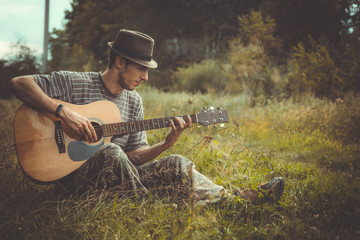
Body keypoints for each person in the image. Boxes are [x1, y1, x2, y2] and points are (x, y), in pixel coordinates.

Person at [8, 29, 284, 204]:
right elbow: (19, 83)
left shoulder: (133, 101)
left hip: (117, 181)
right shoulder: (75, 82)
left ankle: (241, 201)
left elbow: (134, 157)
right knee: (111, 151)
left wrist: (166, 144)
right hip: (72, 183)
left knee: (176, 163)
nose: (146, 77)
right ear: (120, 62)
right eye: (141, 68)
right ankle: (153, 205)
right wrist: (63, 112)